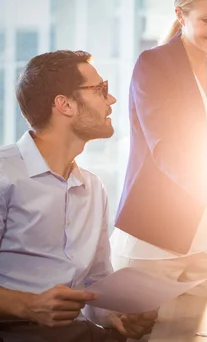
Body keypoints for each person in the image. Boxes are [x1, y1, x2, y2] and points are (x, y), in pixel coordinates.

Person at [0, 51, 156, 342]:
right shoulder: (4, 175)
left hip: (76, 333)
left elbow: (95, 285)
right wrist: (30, 306)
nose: (111, 101)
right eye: (101, 90)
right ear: (65, 104)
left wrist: (118, 316)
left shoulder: (93, 188)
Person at [110, 0, 207, 297]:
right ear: (180, 15)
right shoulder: (153, 64)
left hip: (205, 236)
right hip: (155, 235)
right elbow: (166, 149)